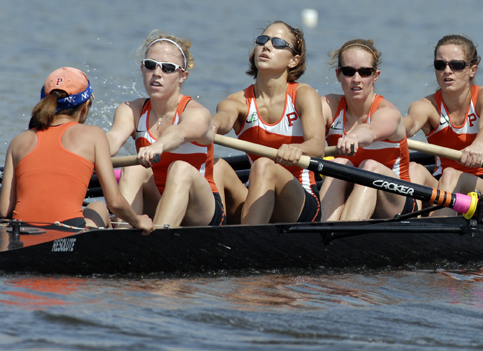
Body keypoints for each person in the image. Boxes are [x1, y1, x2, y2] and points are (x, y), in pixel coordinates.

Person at [0, 67, 153, 233]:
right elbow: (115, 202)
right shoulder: (94, 135)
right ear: (85, 106)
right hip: (69, 231)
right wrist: (138, 220)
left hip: (22, 231)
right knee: (98, 207)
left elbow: (4, 210)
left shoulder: (18, 141)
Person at [209, 21, 325, 224]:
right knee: (216, 165)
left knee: (264, 165)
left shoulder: (303, 95)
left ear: (293, 61)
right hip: (255, 193)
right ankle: (211, 237)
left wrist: (297, 149)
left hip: (299, 201)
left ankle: (246, 244)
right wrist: (211, 126)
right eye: (262, 40)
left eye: (279, 43)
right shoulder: (237, 101)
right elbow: (224, 119)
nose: (267, 46)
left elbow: (317, 147)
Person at [107, 31, 225, 227]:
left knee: (180, 168)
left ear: (182, 76)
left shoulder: (197, 113)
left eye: (168, 68)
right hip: (158, 199)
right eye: (151, 65)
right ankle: (123, 238)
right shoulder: (131, 110)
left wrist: (158, 146)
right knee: (133, 167)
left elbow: (178, 133)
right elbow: (111, 140)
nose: (157, 73)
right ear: (142, 68)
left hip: (200, 209)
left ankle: (156, 244)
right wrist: (86, 152)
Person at [404, 35, 483, 215]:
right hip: (442, 181)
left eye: (456, 65)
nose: (447, 71)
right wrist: (377, 128)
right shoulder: (425, 106)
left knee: (452, 173)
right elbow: (408, 126)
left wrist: (478, 144)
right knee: (413, 168)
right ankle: (410, 224)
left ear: (472, 70)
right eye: (440, 65)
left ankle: (430, 232)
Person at [319, 39, 415, 221]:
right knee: (339, 164)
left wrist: (353, 136)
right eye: (348, 72)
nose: (356, 79)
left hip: (398, 202)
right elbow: (305, 134)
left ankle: (339, 237)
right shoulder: (328, 106)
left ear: (375, 75)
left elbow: (371, 130)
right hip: (351, 191)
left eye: (364, 72)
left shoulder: (388, 112)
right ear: (338, 75)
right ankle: (321, 234)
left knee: (369, 167)